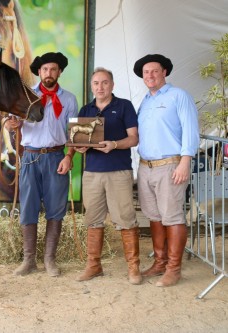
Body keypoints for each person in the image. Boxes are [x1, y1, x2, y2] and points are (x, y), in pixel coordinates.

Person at [5, 52, 78, 277]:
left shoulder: (69, 100)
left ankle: (49, 259)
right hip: (30, 156)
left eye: (53, 69)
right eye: (45, 69)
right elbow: (8, 121)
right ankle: (29, 260)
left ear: (59, 72)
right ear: (39, 72)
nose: (49, 73)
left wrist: (69, 157)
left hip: (57, 157)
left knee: (56, 207)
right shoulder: (25, 95)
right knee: (28, 207)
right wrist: (11, 123)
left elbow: (74, 134)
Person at [133, 54, 199, 287]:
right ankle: (160, 262)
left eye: (154, 71)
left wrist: (185, 161)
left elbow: (191, 130)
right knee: (154, 216)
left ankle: (174, 268)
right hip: (146, 166)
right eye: (146, 72)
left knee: (172, 217)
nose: (149, 75)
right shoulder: (146, 101)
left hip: (170, 165)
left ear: (165, 72)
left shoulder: (178, 96)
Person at [73, 67, 141, 285]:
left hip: (119, 171)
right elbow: (81, 141)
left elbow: (134, 139)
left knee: (125, 218)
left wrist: (114, 144)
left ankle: (133, 267)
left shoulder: (124, 106)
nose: (100, 87)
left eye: (104, 83)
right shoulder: (86, 108)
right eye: (96, 83)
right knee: (93, 219)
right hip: (92, 173)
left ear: (112, 85)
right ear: (92, 86)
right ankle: (94, 265)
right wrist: (81, 148)